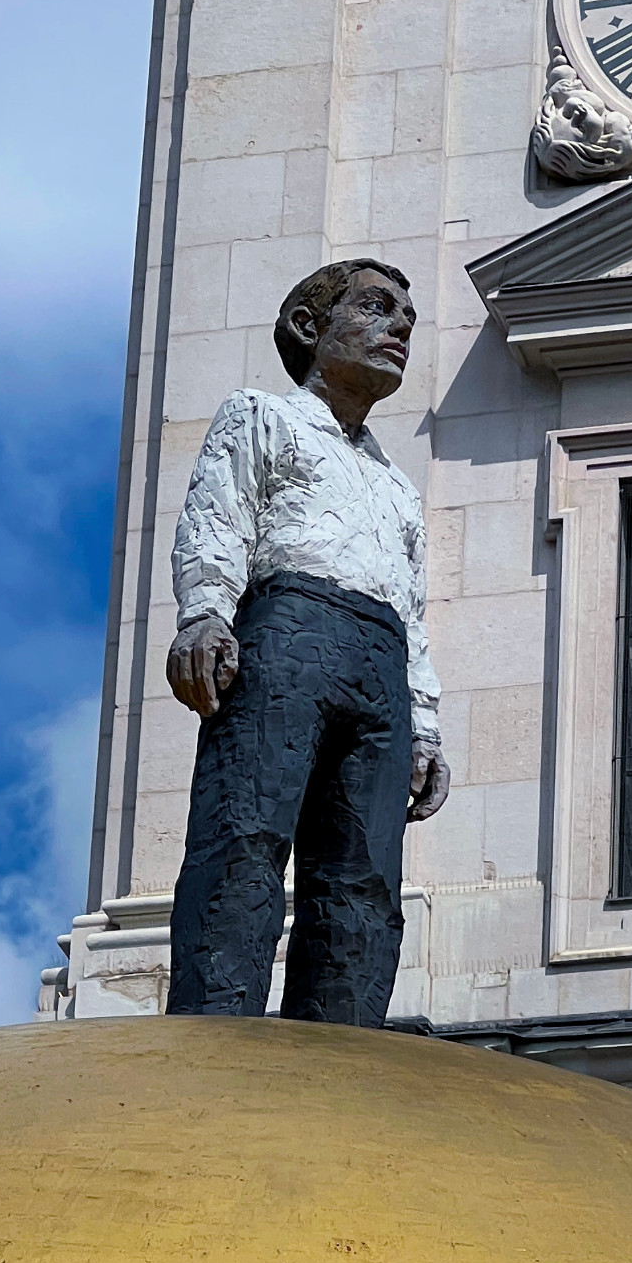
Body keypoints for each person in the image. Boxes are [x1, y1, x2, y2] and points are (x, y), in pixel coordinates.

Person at [164, 258, 450, 1025]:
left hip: (381, 662)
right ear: (308, 327)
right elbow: (220, 514)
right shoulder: (262, 415)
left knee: (365, 877)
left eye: (407, 322)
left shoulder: (397, 486)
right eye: (377, 308)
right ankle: (213, 1031)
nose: (398, 330)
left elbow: (413, 611)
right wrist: (205, 612)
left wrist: (424, 726)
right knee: (246, 835)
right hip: (288, 632)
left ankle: (344, 1053)